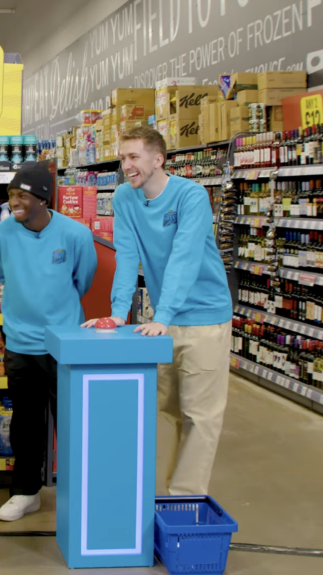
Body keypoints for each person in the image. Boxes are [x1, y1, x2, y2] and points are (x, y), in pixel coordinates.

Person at [82, 127, 233, 496]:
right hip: (164, 321)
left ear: (158, 159)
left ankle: (183, 500)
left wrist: (162, 315)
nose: (126, 165)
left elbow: (185, 258)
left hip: (205, 319)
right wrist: (119, 313)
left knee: (201, 417)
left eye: (134, 157)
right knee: (168, 410)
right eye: (123, 158)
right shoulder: (124, 197)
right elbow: (128, 255)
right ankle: (161, 492)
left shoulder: (191, 196)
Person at [0, 165, 97, 521]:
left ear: (43, 198)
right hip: (19, 342)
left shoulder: (75, 234)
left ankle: (80, 492)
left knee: (73, 421)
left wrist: (59, 315)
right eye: (11, 195)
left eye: (22, 196)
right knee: (26, 423)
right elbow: (0, 273)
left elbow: (84, 278)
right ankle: (25, 492)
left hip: (65, 342)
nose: (14, 202)